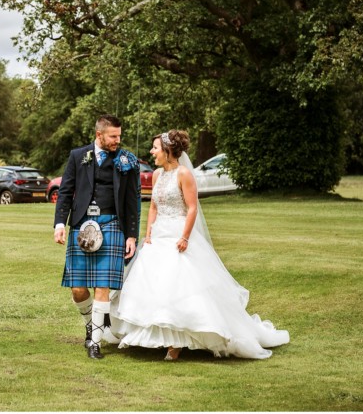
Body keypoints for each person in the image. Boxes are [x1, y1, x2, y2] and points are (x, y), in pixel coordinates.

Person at [109, 130, 289, 360]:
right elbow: (153, 207)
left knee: (180, 285)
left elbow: (192, 208)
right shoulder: (156, 175)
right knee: (153, 284)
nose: (152, 152)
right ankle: (152, 337)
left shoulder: (184, 174)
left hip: (177, 233)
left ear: (168, 151)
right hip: (158, 235)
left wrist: (184, 237)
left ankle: (177, 343)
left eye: (156, 148)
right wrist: (148, 234)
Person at [54, 114, 141, 359]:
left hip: (113, 223)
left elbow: (133, 200)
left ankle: (95, 342)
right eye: (113, 136)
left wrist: (132, 235)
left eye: (119, 136)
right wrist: (60, 223)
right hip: (81, 224)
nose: (117, 140)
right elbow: (65, 191)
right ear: (99, 135)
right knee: (78, 289)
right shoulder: (77, 156)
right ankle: (92, 323)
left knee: (102, 286)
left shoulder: (126, 160)